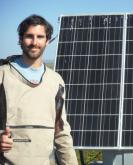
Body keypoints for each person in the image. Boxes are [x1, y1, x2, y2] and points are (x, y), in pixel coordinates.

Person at [0, 14, 78, 165]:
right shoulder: (3, 75)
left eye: (40, 37)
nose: (34, 42)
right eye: (29, 36)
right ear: (21, 39)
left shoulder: (56, 81)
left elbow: (61, 132)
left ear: (47, 41)